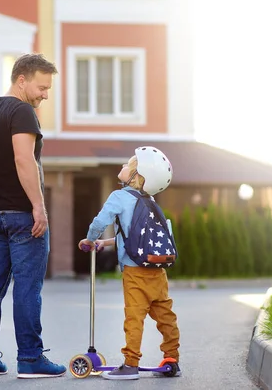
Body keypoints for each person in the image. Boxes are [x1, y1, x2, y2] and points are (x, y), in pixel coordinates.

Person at [0, 53, 66, 379]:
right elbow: (24, 159)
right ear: (21, 80)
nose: (45, 94)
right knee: (27, 287)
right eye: (41, 87)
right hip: (23, 217)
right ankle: (30, 358)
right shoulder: (22, 112)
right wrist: (37, 207)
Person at [78, 146, 181, 380]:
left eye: (127, 165)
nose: (123, 167)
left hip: (134, 272)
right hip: (157, 271)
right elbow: (132, 236)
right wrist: (105, 243)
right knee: (165, 316)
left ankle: (131, 363)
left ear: (136, 175)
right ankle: (171, 358)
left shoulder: (119, 197)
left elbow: (99, 221)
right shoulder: (150, 201)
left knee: (134, 318)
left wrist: (90, 239)